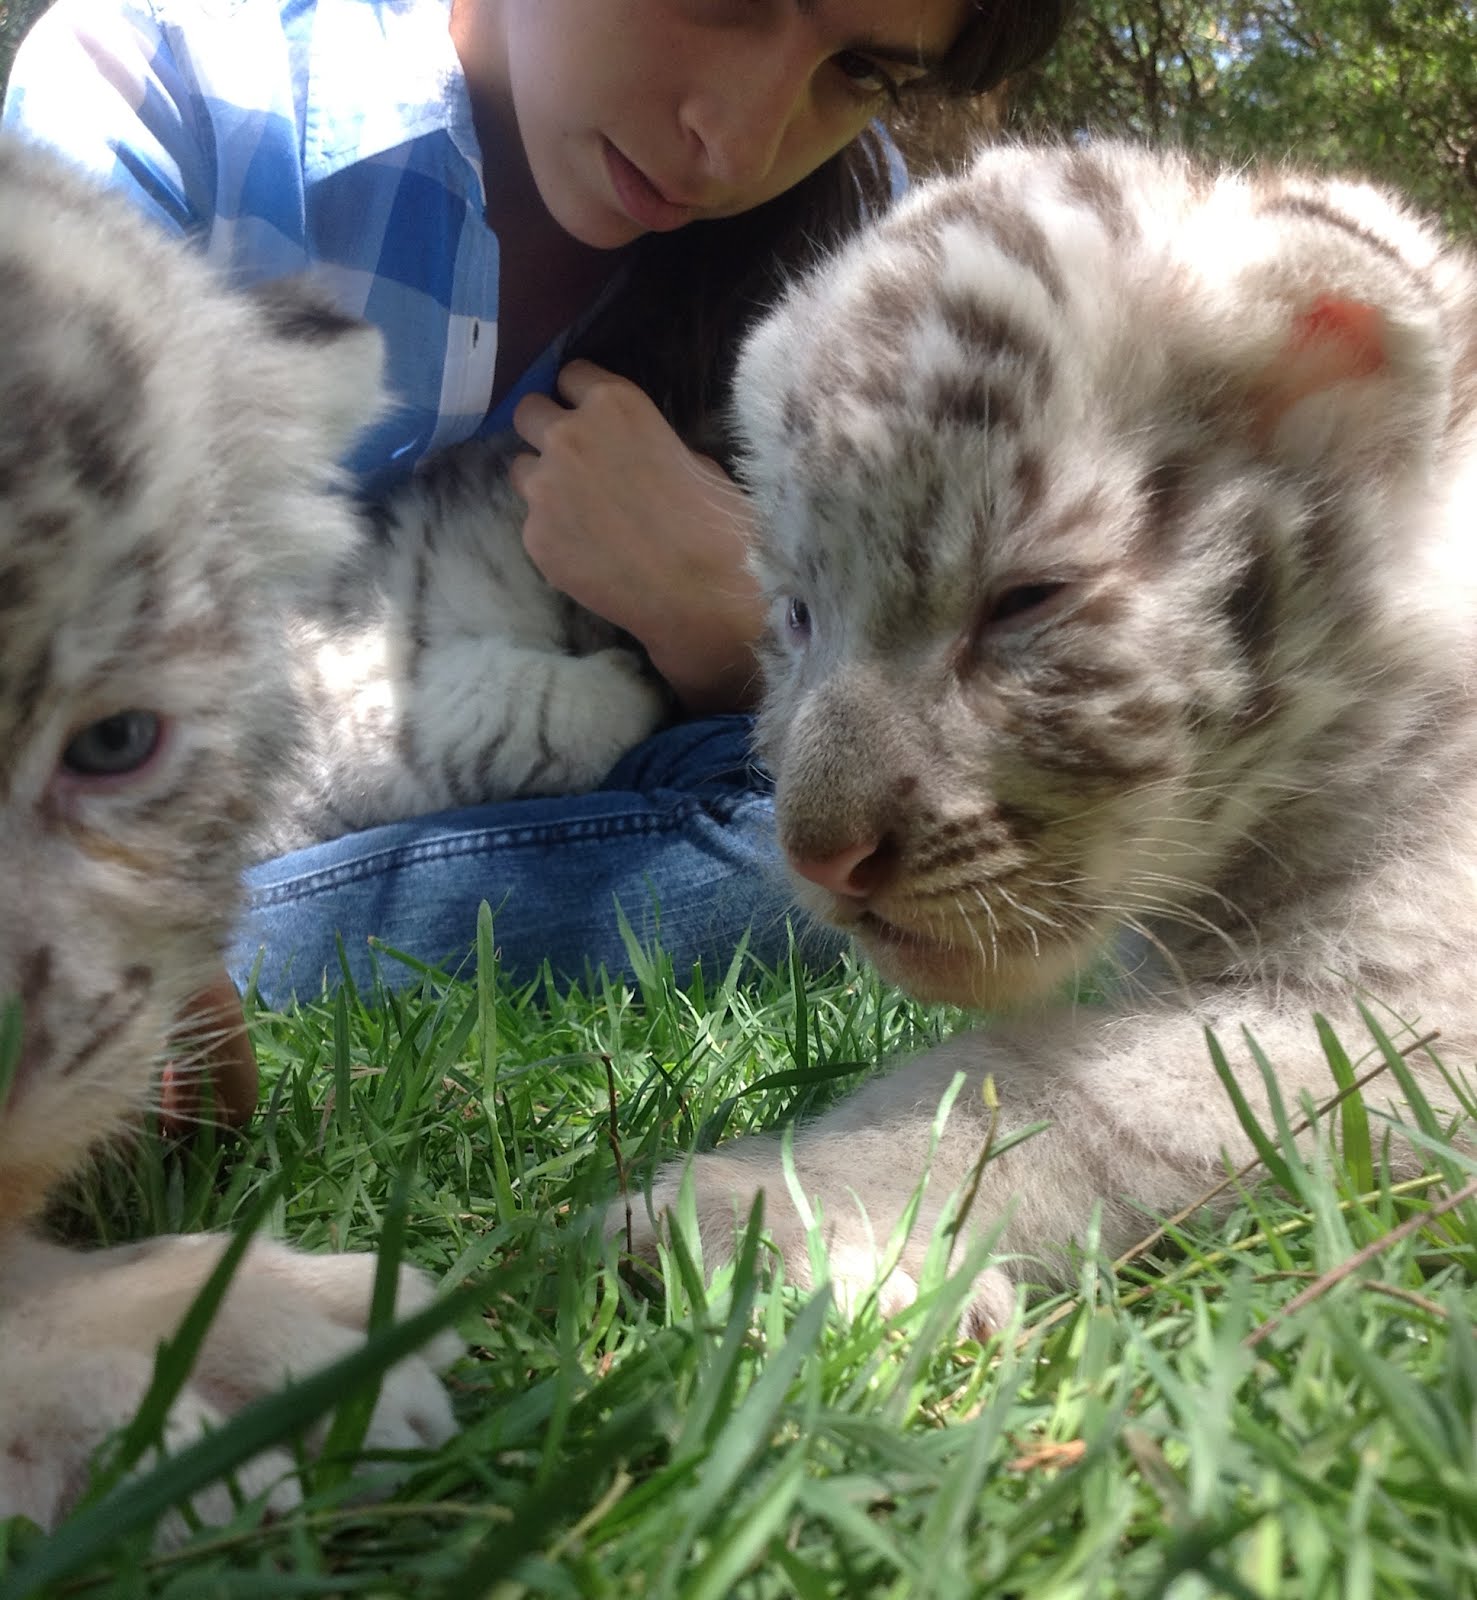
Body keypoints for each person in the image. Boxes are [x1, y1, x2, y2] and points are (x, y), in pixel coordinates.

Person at [2, 0, 1071, 1114]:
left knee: (835, 848)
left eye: (858, 71)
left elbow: (917, 714)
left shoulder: (853, 237)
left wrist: (730, 604)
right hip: (147, 808)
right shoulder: (168, 78)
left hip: (636, 756)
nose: (740, 141)